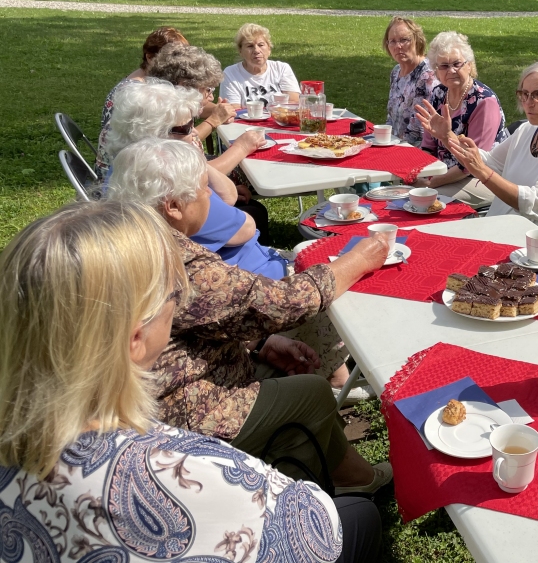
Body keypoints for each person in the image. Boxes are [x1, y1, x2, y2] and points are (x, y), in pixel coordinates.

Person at [0, 200, 381, 563]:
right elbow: (316, 534)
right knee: (360, 517)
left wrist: (257, 342)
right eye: (174, 295)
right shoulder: (185, 470)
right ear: (136, 337)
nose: (180, 305)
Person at [107, 139, 394, 497]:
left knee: (295, 376)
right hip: (172, 417)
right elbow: (288, 302)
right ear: (174, 206)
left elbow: (195, 321)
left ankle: (337, 472)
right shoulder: (171, 259)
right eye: (203, 192)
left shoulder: (118, 233)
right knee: (312, 391)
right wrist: (359, 259)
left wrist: (258, 344)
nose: (209, 199)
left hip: (155, 392)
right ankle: (314, 489)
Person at [106, 80, 286, 278]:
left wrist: (189, 155)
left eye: (193, 123)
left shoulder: (125, 167)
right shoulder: (167, 184)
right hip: (246, 277)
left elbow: (228, 196)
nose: (194, 132)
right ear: (157, 133)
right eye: (185, 128)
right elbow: (246, 229)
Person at [422, 57, 538, 252]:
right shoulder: (528, 129)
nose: (528, 103)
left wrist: (483, 173)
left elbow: (537, 203)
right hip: (505, 227)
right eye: (524, 94)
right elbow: (489, 161)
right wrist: (448, 138)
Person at [148, 41, 269, 236]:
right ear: (185, 87)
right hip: (180, 219)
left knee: (254, 208)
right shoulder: (174, 130)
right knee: (254, 214)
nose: (211, 98)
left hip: (178, 206)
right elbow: (198, 179)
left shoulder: (157, 115)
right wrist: (242, 147)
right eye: (207, 90)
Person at [415, 31, 509, 208]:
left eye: (457, 64)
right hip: (443, 173)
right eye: (443, 66)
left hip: (482, 178)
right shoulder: (439, 94)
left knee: (427, 200)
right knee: (407, 188)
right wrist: (421, 175)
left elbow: (472, 164)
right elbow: (428, 147)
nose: (451, 71)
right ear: (436, 70)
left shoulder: (484, 102)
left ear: (469, 65)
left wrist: (431, 183)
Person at [95, 26, 189, 177]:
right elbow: (171, 144)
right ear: (150, 57)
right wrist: (212, 121)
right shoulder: (141, 95)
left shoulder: (144, 82)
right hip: (122, 176)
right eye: (172, 60)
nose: (180, 66)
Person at [383, 16, 437, 146]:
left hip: (416, 150)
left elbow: (418, 130)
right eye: (392, 41)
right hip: (393, 143)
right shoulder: (396, 71)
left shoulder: (427, 75)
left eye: (404, 40)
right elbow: (391, 117)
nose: (398, 46)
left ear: (417, 40)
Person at [220, 23, 300, 107]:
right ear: (240, 51)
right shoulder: (231, 74)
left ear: (269, 48)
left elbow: (293, 103)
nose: (256, 50)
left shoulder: (281, 69)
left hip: (279, 119)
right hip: (244, 120)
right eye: (250, 46)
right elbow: (233, 110)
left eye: (261, 45)